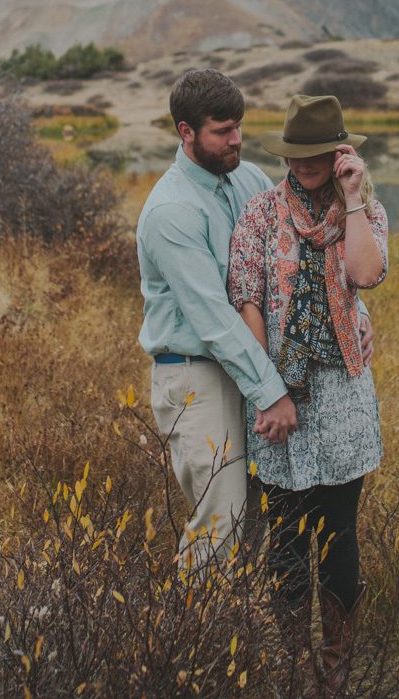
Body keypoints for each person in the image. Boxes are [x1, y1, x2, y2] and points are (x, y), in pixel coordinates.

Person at [228, 93, 387, 693]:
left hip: (343, 399)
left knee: (340, 534)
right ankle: (295, 666)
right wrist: (270, 393)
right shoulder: (261, 215)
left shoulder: (364, 209)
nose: (303, 165)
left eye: (315, 154)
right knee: (287, 537)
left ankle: (335, 666)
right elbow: (248, 302)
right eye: (294, 154)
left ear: (339, 152)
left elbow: (366, 275)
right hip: (280, 399)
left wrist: (351, 199)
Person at [137, 69, 303, 568]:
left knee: (254, 522)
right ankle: (184, 643)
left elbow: (303, 250)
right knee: (221, 520)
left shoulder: (248, 178)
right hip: (196, 377)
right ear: (185, 132)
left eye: (239, 127)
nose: (237, 140)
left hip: (246, 370)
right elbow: (214, 319)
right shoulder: (171, 212)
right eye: (222, 131)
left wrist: (354, 309)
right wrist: (271, 391)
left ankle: (238, 638)